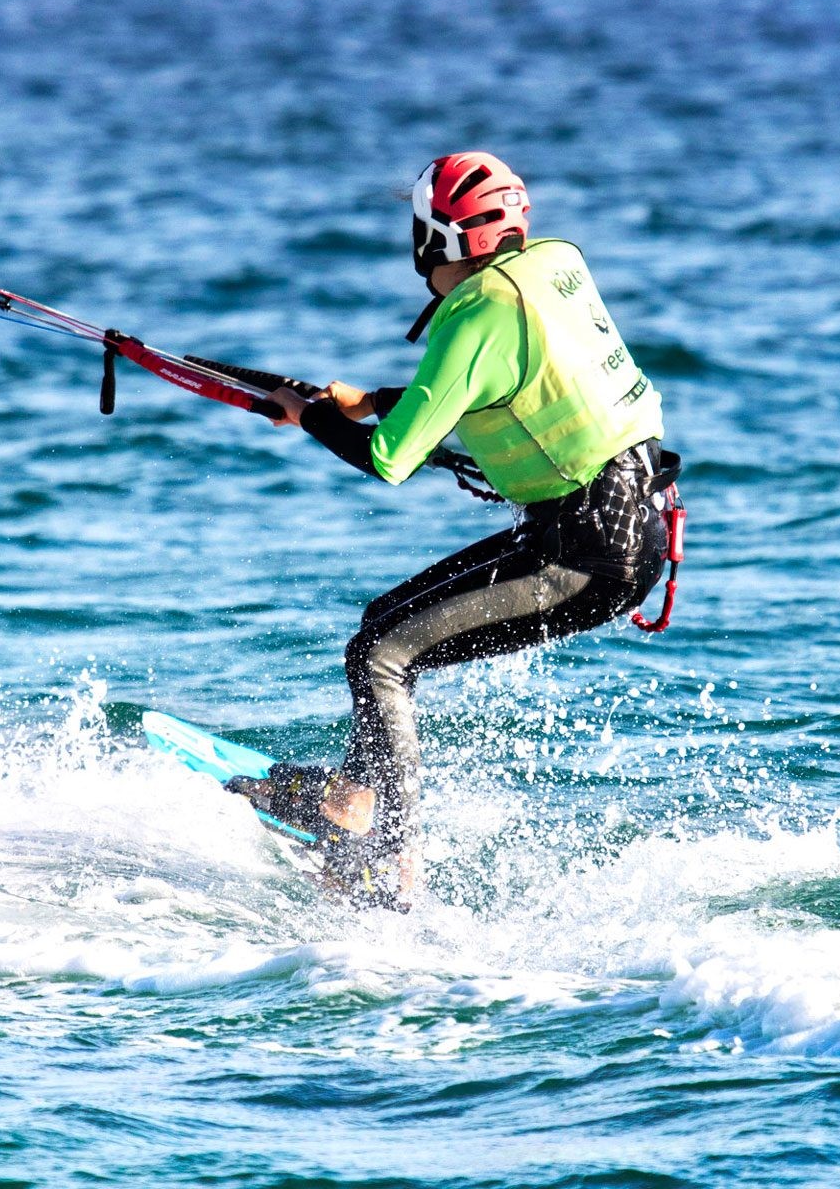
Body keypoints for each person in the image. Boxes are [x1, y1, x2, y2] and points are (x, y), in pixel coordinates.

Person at [235, 152, 675, 909]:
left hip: (583, 551)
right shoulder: (557, 266)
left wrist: (304, 414)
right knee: (382, 627)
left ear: (432, 242)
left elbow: (388, 459)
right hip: (627, 526)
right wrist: (374, 397)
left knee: (380, 656)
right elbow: (513, 376)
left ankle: (386, 859)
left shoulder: (472, 316)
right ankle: (355, 801)